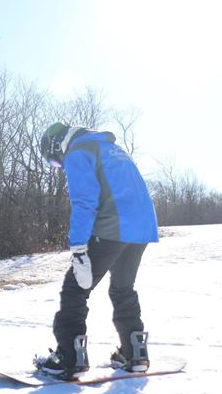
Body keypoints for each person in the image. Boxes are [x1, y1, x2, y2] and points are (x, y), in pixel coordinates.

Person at [34, 122, 159, 380]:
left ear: (56, 146)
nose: (59, 165)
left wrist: (79, 247)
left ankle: (68, 358)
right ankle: (134, 354)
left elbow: (84, 202)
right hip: (141, 228)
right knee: (123, 288)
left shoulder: (78, 151)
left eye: (55, 162)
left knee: (75, 289)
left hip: (113, 228)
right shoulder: (111, 148)